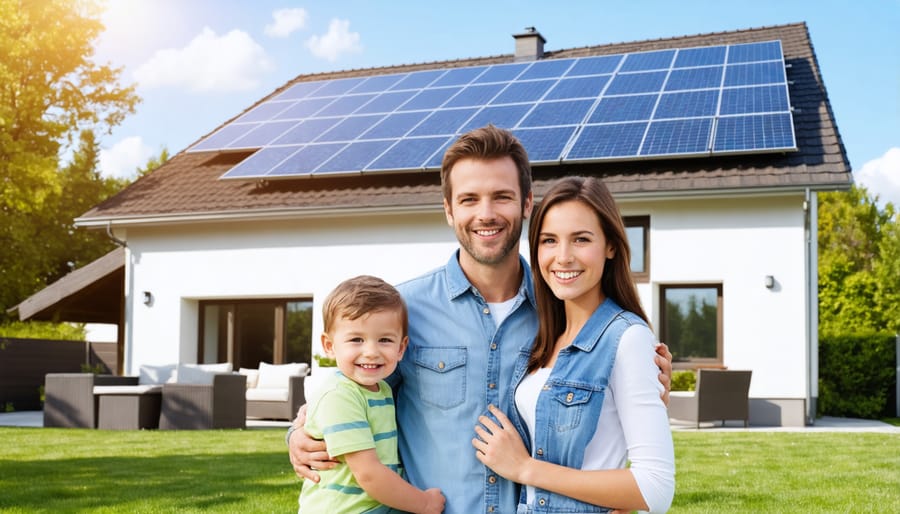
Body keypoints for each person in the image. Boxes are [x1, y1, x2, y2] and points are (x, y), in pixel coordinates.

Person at [289, 125, 673, 514]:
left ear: (526, 204)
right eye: (469, 199)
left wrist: (637, 375)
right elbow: (350, 388)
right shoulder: (402, 311)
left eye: (501, 197)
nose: (485, 214)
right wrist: (298, 433)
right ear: (448, 209)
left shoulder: (563, 312)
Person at [472, 176, 675, 512]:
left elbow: (654, 487)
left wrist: (525, 468)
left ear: (610, 246)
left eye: (581, 239)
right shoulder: (542, 337)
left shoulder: (628, 337)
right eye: (549, 241)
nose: (562, 257)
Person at [296, 275, 445, 514]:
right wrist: (424, 503)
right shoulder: (340, 396)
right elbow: (369, 474)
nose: (371, 352)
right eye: (356, 339)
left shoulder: (381, 388)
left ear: (401, 347)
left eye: (384, 340)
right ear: (329, 345)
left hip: (370, 505)